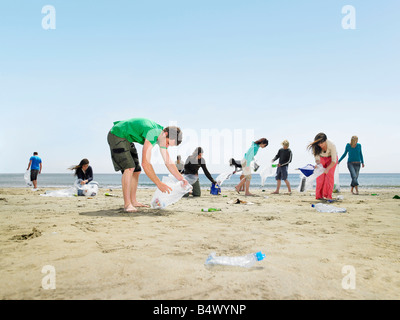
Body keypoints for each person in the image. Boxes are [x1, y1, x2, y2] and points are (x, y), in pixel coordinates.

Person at [107, 117, 188, 212]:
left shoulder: (160, 136)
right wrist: (159, 183)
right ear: (165, 134)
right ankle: (127, 204)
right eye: (168, 143)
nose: (167, 146)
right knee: (129, 168)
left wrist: (181, 178)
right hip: (117, 134)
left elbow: (168, 161)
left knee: (137, 171)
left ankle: (133, 201)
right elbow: (145, 163)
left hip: (127, 139)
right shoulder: (153, 133)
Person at [308, 133, 338, 200]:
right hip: (322, 159)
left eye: (322, 143)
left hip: (331, 160)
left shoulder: (331, 145)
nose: (320, 145)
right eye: (319, 144)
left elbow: (334, 161)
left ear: (325, 140)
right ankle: (319, 196)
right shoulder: (316, 146)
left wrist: (327, 169)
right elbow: (317, 159)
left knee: (329, 177)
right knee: (320, 177)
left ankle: (328, 196)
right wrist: (318, 165)